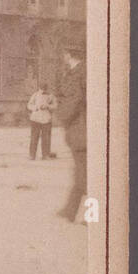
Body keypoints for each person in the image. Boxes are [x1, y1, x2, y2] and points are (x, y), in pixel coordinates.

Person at [55, 45, 87, 223]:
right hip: (83, 129)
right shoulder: (85, 70)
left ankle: (91, 216)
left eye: (64, 54)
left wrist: (61, 116)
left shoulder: (78, 73)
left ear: (68, 55)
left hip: (81, 130)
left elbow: (74, 100)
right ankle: (71, 210)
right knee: (82, 171)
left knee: (85, 173)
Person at [27, 84, 56, 160]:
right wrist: (35, 108)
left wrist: (47, 106)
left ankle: (45, 155)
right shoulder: (35, 95)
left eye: (45, 88)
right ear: (39, 88)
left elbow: (55, 105)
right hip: (36, 118)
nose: (43, 90)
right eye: (42, 88)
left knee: (46, 138)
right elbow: (29, 105)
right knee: (34, 137)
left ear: (47, 88)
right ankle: (32, 155)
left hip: (46, 119)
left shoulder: (51, 96)